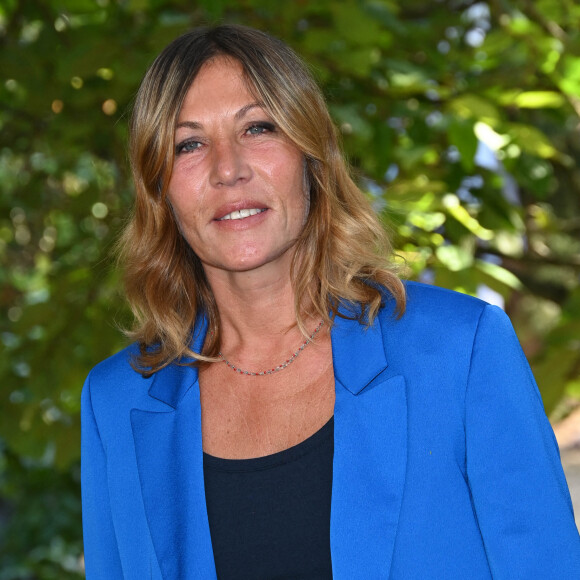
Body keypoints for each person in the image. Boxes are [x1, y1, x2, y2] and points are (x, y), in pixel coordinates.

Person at [80, 24, 580, 579]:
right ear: (159, 189)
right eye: (189, 144)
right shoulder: (116, 403)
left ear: (311, 155)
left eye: (258, 127)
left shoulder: (461, 352)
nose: (229, 169)